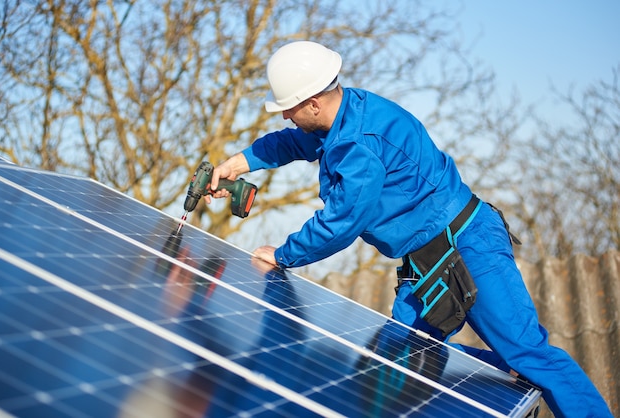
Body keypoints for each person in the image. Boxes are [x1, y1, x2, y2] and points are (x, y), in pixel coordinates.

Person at [208, 41, 612, 418]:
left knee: (528, 353)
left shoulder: (358, 145)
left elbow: (341, 224)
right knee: (401, 360)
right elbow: (290, 144)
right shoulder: (344, 115)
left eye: (290, 108)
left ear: (313, 103)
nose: (285, 116)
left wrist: (282, 255)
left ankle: (535, 383)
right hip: (427, 262)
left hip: (468, 246)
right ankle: (509, 380)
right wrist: (238, 165)